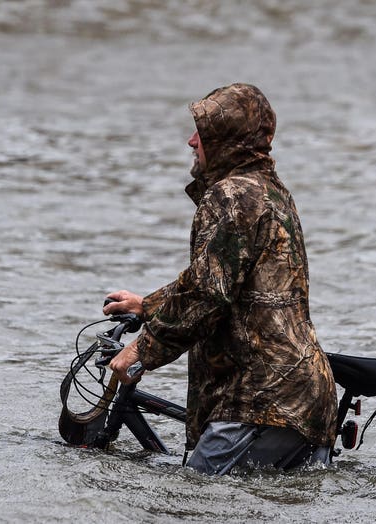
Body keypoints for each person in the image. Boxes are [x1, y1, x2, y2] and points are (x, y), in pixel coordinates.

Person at [104, 83, 337, 475]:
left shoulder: (230, 196)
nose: (191, 141)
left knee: (191, 502)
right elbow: (226, 280)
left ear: (227, 140)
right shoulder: (270, 192)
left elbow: (207, 294)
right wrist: (149, 306)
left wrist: (143, 350)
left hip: (258, 402)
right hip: (302, 400)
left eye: (204, 132)